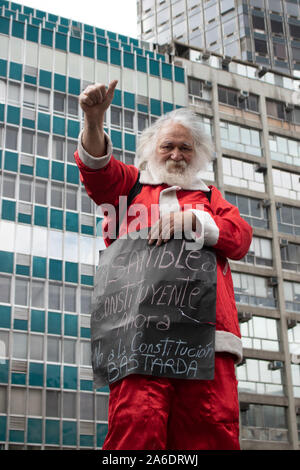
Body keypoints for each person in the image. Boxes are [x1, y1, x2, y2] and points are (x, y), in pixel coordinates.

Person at [74, 81, 253, 451]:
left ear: (198, 154)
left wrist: (195, 221)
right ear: (152, 152)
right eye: (167, 146)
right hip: (139, 337)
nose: (176, 154)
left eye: (185, 147)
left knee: (210, 431)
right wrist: (93, 121)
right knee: (136, 429)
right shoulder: (132, 187)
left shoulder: (210, 197)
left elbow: (240, 237)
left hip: (207, 339)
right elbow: (98, 172)